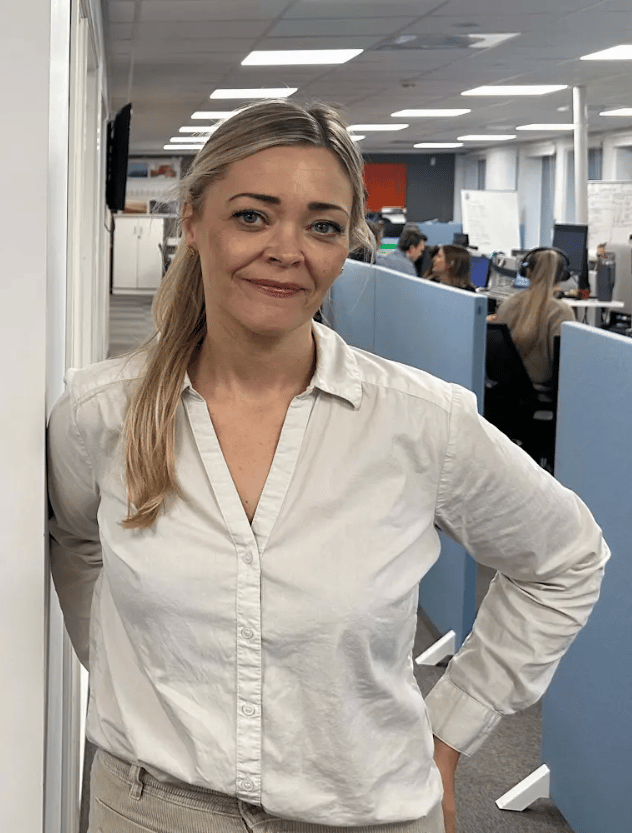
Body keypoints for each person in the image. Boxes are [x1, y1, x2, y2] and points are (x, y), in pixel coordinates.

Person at [47, 100, 608, 833]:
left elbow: (566, 559)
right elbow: (77, 541)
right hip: (149, 807)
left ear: (347, 244)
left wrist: (449, 733)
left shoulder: (417, 421)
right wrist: (129, 676)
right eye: (252, 215)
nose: (289, 249)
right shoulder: (102, 413)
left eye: (322, 225)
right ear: (192, 221)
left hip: (360, 811)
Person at [488, 248, 575, 389]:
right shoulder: (561, 312)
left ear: (527, 272)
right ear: (562, 276)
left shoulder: (509, 303)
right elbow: (566, 364)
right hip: (537, 389)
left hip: (503, 388)